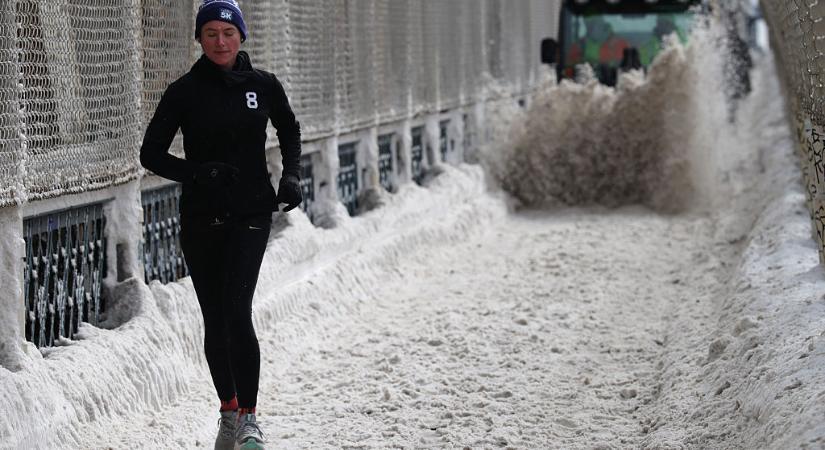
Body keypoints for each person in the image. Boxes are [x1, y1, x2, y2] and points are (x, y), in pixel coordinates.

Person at [139, 1, 302, 448]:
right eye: (210, 33)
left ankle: (250, 418)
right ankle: (228, 412)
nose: (220, 41)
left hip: (251, 211)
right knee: (215, 318)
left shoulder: (263, 85)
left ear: (241, 37)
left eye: (227, 33)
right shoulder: (184, 91)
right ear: (199, 39)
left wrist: (291, 175)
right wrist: (197, 172)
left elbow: (289, 129)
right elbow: (150, 154)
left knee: (236, 310)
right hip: (201, 216)